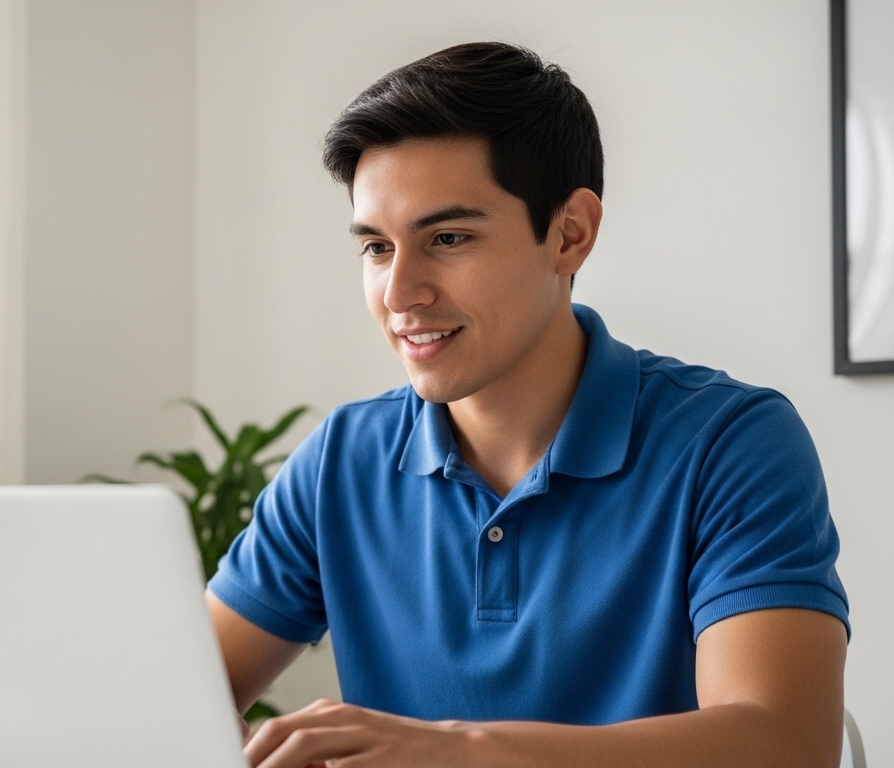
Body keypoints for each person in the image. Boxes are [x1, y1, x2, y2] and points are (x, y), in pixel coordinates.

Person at [205, 42, 849, 768]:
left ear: (570, 233)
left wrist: (461, 753)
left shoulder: (730, 441)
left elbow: (786, 742)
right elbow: (175, 694)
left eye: (447, 238)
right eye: (378, 248)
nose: (398, 294)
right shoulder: (341, 460)